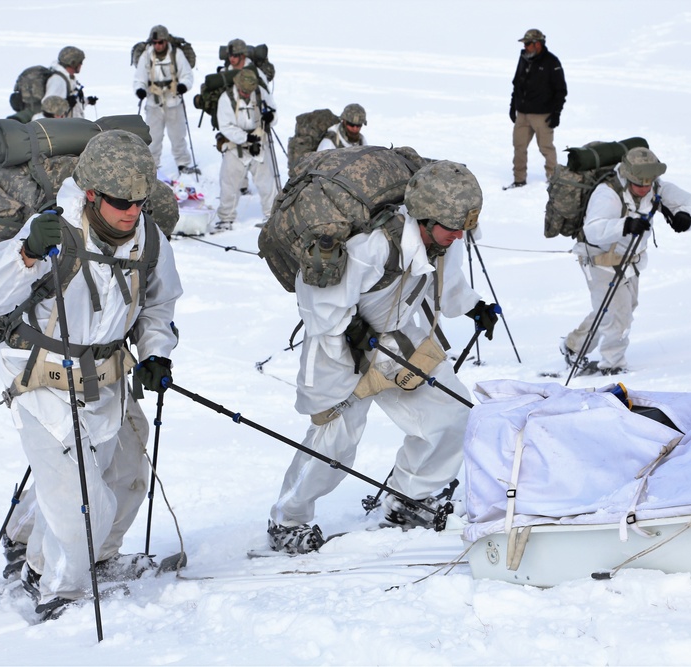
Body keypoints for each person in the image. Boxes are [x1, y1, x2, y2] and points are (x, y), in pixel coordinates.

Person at [0, 130, 183, 620]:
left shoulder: (150, 237)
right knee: (81, 499)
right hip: (41, 376)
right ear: (93, 195)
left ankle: (54, 551)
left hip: (105, 377)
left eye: (141, 201)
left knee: (125, 476)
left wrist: (155, 352)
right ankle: (61, 589)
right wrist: (27, 255)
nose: (131, 211)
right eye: (121, 201)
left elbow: (159, 304)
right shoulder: (55, 230)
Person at [266, 160, 501, 554]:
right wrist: (349, 328)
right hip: (336, 348)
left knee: (452, 415)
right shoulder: (372, 246)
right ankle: (287, 521)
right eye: (452, 227)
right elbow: (317, 298)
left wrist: (474, 306)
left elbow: (448, 281)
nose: (459, 235)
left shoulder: (441, 241)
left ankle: (410, 498)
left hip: (399, 337)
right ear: (425, 218)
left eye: (464, 227)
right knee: (333, 444)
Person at [560, 147, 691, 376]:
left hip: (630, 261)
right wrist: (624, 225)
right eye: (639, 184)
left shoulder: (656, 186)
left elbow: (685, 202)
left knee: (612, 309)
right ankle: (613, 365)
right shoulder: (607, 193)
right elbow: (593, 230)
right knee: (618, 315)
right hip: (599, 260)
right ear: (627, 176)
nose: (644, 188)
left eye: (648, 183)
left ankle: (573, 346)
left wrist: (684, 216)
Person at [214, 68, 278, 231]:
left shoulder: (261, 93)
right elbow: (226, 126)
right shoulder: (226, 99)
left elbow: (273, 112)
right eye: (244, 91)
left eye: (249, 91)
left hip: (259, 143)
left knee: (267, 181)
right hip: (236, 147)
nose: (247, 94)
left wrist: (271, 117)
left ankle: (272, 215)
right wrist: (245, 138)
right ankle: (226, 218)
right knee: (228, 182)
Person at [133, 25, 198, 175]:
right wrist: (140, 89)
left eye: (160, 42)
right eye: (155, 42)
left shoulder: (177, 54)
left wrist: (183, 86)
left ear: (166, 41)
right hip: (153, 102)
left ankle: (183, 164)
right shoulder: (146, 55)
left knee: (178, 136)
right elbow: (139, 77)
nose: (158, 45)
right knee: (153, 137)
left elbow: (187, 75)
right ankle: (151, 166)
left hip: (174, 100)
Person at [507, 29, 566, 189]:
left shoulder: (551, 62)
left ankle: (554, 182)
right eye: (524, 44)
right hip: (522, 114)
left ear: (537, 44)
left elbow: (561, 90)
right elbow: (516, 84)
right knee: (519, 147)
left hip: (543, 116)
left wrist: (556, 113)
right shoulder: (523, 59)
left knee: (546, 148)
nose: (525, 47)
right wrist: (513, 106)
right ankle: (519, 180)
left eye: (528, 43)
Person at [44, 46, 96, 119]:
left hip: (71, 125)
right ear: (73, 62)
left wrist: (87, 100)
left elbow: (73, 101)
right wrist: (67, 104)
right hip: (64, 128)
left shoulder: (67, 79)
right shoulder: (58, 81)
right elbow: (48, 106)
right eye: (80, 62)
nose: (81, 65)